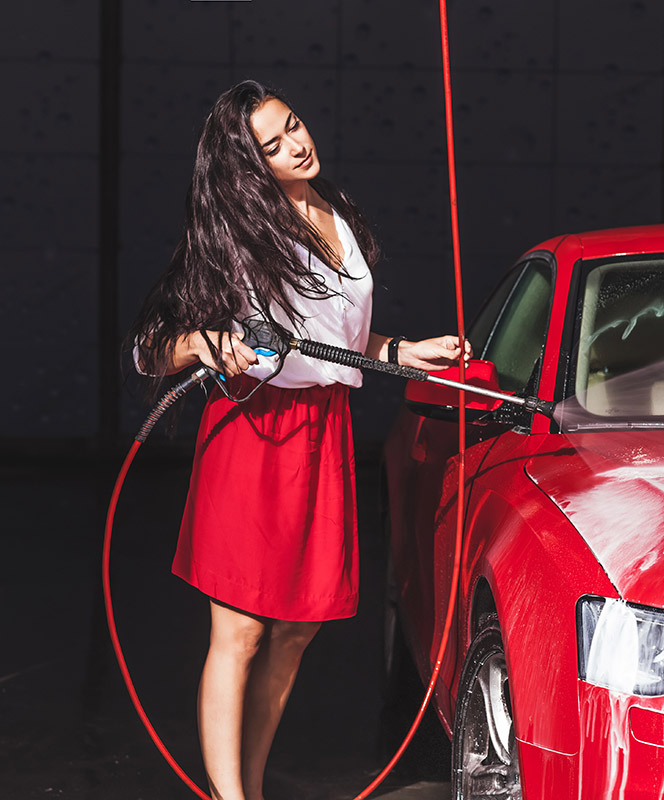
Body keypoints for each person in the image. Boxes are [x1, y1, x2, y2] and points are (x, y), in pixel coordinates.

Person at [126, 80, 470, 800]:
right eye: (273, 145)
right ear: (249, 164)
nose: (295, 146)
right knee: (242, 634)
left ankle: (248, 788)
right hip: (254, 434)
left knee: (292, 634)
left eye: (295, 126)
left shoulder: (333, 210)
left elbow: (333, 341)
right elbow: (152, 348)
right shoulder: (236, 235)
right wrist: (207, 341)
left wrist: (402, 351)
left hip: (323, 432)